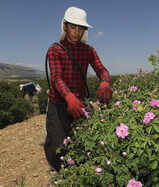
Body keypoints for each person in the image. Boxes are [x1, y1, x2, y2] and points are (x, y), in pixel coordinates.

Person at [44, 6, 112, 172]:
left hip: (79, 103)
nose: (77, 32)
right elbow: (56, 78)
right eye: (73, 27)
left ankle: (79, 171)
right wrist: (69, 97)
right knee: (58, 148)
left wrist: (105, 81)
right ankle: (62, 175)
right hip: (59, 104)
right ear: (65, 26)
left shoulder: (88, 50)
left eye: (81, 28)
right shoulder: (56, 49)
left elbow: (101, 68)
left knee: (83, 140)